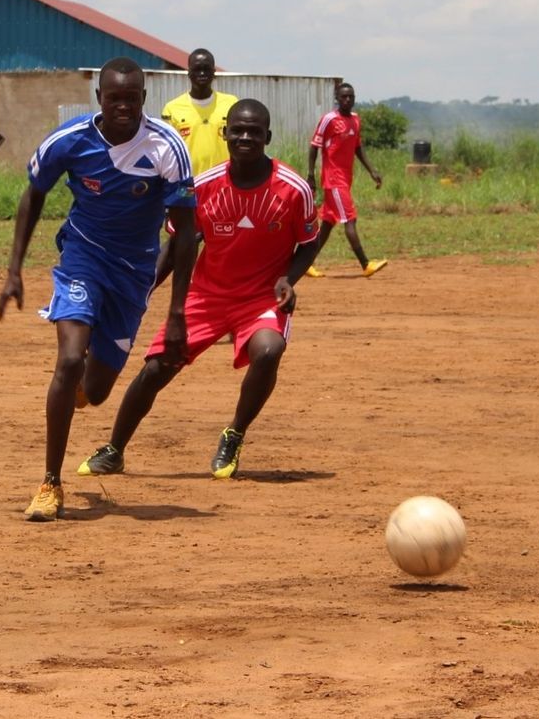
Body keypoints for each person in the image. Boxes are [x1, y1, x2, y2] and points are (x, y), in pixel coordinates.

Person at [0, 57, 198, 521]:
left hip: (133, 275)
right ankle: (50, 483)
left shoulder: (167, 148)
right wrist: (14, 271)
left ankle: (82, 387)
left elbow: (185, 234)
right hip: (83, 257)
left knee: (98, 390)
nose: (123, 106)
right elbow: (33, 195)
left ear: (144, 99)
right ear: (100, 99)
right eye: (114, 98)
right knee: (68, 360)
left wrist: (176, 311)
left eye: (132, 98)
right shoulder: (69, 141)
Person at [76, 99, 320, 482]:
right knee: (156, 370)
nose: (244, 137)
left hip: (260, 300)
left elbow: (309, 241)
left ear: (267, 137)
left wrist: (289, 277)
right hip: (205, 297)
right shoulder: (203, 187)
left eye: (254, 132)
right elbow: (177, 247)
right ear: (225, 135)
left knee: (269, 351)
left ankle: (234, 433)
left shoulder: (294, 190)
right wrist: (144, 287)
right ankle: (114, 450)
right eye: (237, 130)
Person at [306, 81, 386, 278]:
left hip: (345, 179)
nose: (347, 99)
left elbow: (357, 147)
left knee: (327, 223)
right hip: (333, 180)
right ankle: (366, 264)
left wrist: (371, 170)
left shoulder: (356, 120)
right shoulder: (329, 120)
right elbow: (314, 146)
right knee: (350, 219)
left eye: (351, 96)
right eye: (344, 96)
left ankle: (306, 263)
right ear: (337, 99)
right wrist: (310, 174)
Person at [160, 48, 240, 176]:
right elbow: (168, 151)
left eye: (206, 69)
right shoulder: (172, 109)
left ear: (214, 72)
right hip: (189, 183)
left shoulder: (231, 104)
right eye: (197, 69)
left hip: (224, 182)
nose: (202, 73)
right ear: (189, 72)